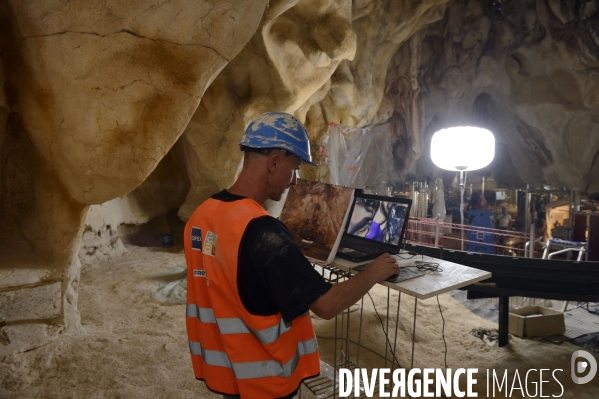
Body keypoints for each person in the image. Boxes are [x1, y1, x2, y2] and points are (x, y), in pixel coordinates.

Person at [183, 111, 400, 399]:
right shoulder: (264, 232)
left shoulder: (201, 216)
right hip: (267, 378)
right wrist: (375, 271)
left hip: (228, 371)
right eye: (294, 167)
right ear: (274, 162)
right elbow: (327, 305)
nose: (295, 180)